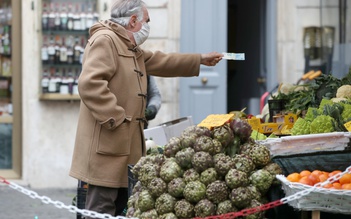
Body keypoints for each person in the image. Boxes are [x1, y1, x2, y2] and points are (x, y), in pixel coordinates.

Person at [69, 0, 223, 217]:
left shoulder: (127, 45)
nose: (148, 25)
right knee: (101, 209)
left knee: (120, 206)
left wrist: (200, 60)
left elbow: (160, 60)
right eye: (146, 20)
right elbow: (90, 84)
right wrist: (117, 118)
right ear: (133, 21)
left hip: (121, 147)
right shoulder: (106, 40)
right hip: (106, 147)